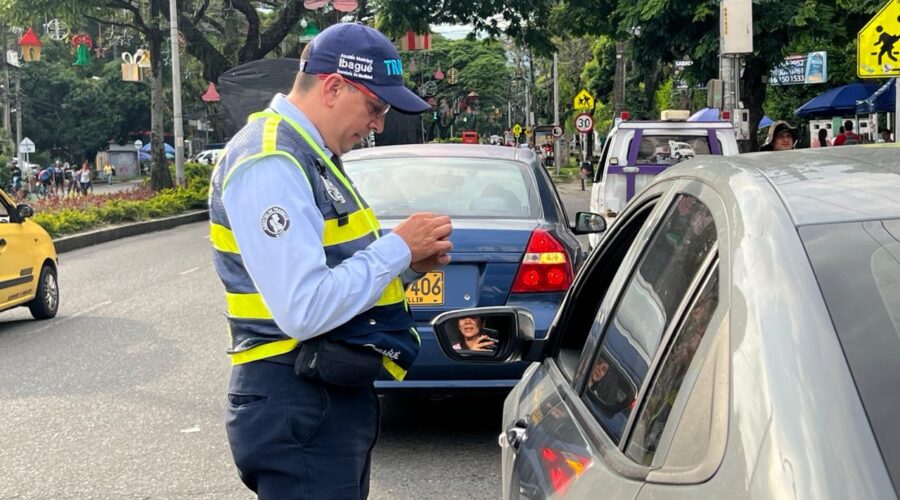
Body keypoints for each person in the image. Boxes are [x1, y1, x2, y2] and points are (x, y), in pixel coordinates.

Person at [210, 23, 452, 499]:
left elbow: (334, 267)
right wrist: (398, 247)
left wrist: (406, 264)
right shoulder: (272, 160)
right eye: (375, 107)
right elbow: (304, 308)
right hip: (296, 392)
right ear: (334, 87)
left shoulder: (310, 154)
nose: (378, 124)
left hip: (319, 393)